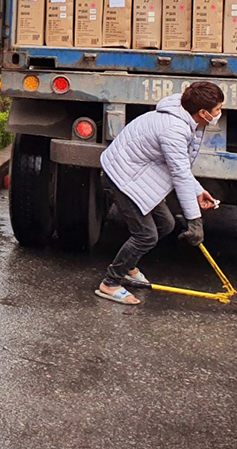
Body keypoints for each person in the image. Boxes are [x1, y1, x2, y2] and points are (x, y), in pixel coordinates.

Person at [95, 81, 224, 305]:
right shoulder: (174, 129)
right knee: (146, 235)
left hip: (137, 176)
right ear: (203, 113)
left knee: (166, 224)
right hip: (121, 178)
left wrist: (198, 191)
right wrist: (195, 221)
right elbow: (179, 174)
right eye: (218, 109)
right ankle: (110, 283)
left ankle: (127, 266)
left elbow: (180, 167)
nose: (220, 113)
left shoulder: (183, 117)